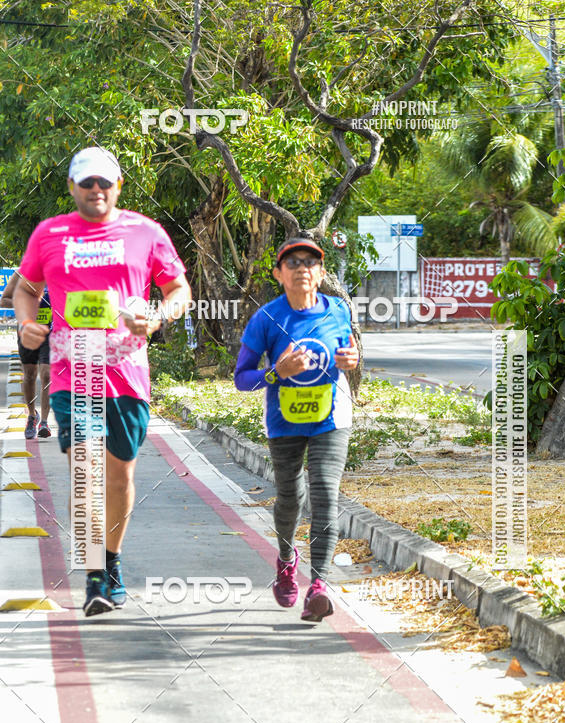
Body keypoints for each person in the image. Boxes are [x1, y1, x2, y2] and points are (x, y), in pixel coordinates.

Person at [13, 146, 192, 617]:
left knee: (120, 474)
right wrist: (27, 323)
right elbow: (27, 288)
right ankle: (95, 574)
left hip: (128, 371)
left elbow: (178, 289)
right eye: (87, 182)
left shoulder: (144, 231)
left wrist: (155, 317)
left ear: (118, 186)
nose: (96, 190)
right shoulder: (49, 233)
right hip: (76, 368)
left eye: (104, 182)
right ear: (72, 187)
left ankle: (111, 559)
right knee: (85, 469)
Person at [234, 236, 359, 622]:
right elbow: (241, 378)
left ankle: (318, 586)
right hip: (284, 422)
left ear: (321, 274)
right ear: (279, 274)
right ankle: (287, 559)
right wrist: (276, 372)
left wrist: (351, 359)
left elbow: (350, 352)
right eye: (293, 263)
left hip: (331, 419)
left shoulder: (338, 309)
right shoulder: (266, 318)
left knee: (324, 492)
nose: (302, 267)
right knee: (289, 498)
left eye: (310, 262)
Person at [1, 272, 52, 438]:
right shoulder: (22, 273)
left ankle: (44, 422)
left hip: (51, 332)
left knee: (47, 374)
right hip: (27, 332)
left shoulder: (57, 270)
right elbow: (5, 300)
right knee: (30, 376)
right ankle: (32, 415)